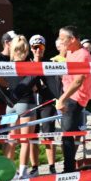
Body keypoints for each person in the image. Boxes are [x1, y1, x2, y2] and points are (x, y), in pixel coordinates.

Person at [56, 26, 91, 174]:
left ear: (72, 39)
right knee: (68, 133)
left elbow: (78, 81)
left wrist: (62, 99)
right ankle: (70, 167)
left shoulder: (83, 55)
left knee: (67, 134)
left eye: (62, 38)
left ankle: (69, 170)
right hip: (68, 95)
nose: (60, 41)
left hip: (75, 97)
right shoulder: (70, 52)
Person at [4, 35, 40, 178]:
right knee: (25, 140)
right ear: (26, 50)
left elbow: (2, 82)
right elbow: (35, 86)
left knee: (12, 139)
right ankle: (23, 172)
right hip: (26, 104)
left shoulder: (7, 66)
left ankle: (8, 172)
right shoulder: (30, 65)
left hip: (10, 105)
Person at [34, 35, 61, 173]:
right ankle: (34, 167)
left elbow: (55, 84)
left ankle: (51, 166)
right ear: (31, 48)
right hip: (32, 104)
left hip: (47, 103)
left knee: (48, 134)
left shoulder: (49, 63)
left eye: (41, 47)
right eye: (35, 47)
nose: (38, 50)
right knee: (32, 136)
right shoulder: (27, 62)